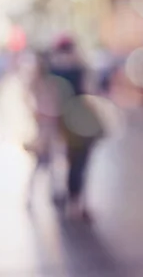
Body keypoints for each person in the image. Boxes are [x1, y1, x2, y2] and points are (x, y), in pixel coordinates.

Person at [49, 36, 103, 220]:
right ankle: (76, 201)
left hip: (59, 119)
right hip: (79, 119)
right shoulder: (80, 69)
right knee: (79, 161)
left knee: (64, 158)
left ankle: (64, 194)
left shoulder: (52, 70)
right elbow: (90, 92)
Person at [25, 52, 60, 208]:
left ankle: (54, 191)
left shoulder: (47, 82)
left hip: (49, 124)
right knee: (42, 161)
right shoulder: (39, 83)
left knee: (50, 161)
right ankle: (32, 193)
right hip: (45, 125)